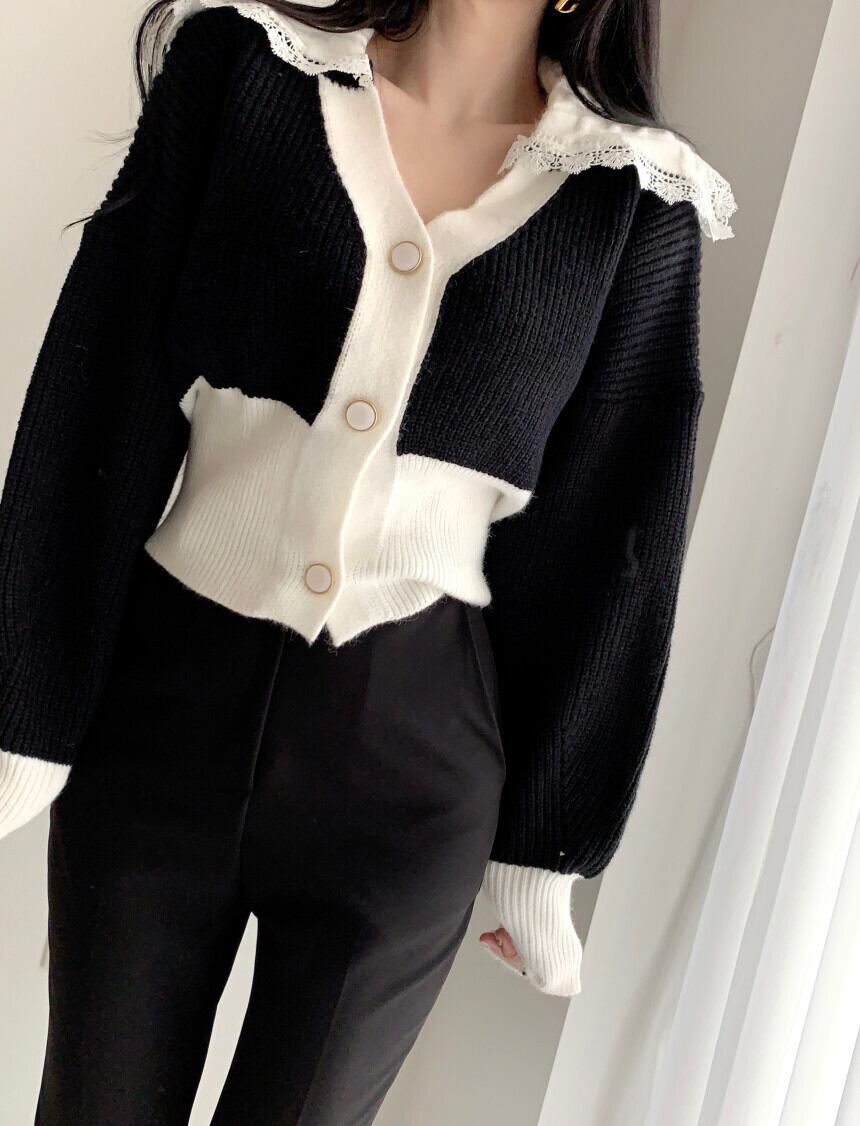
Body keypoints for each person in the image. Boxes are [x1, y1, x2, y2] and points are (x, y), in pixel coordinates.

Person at [0, 0, 737, 1122]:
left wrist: (544, 849)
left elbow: (610, 545)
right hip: (161, 721)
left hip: (409, 774)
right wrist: (25, 716)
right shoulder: (245, 72)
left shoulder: (634, 200)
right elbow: (98, 389)